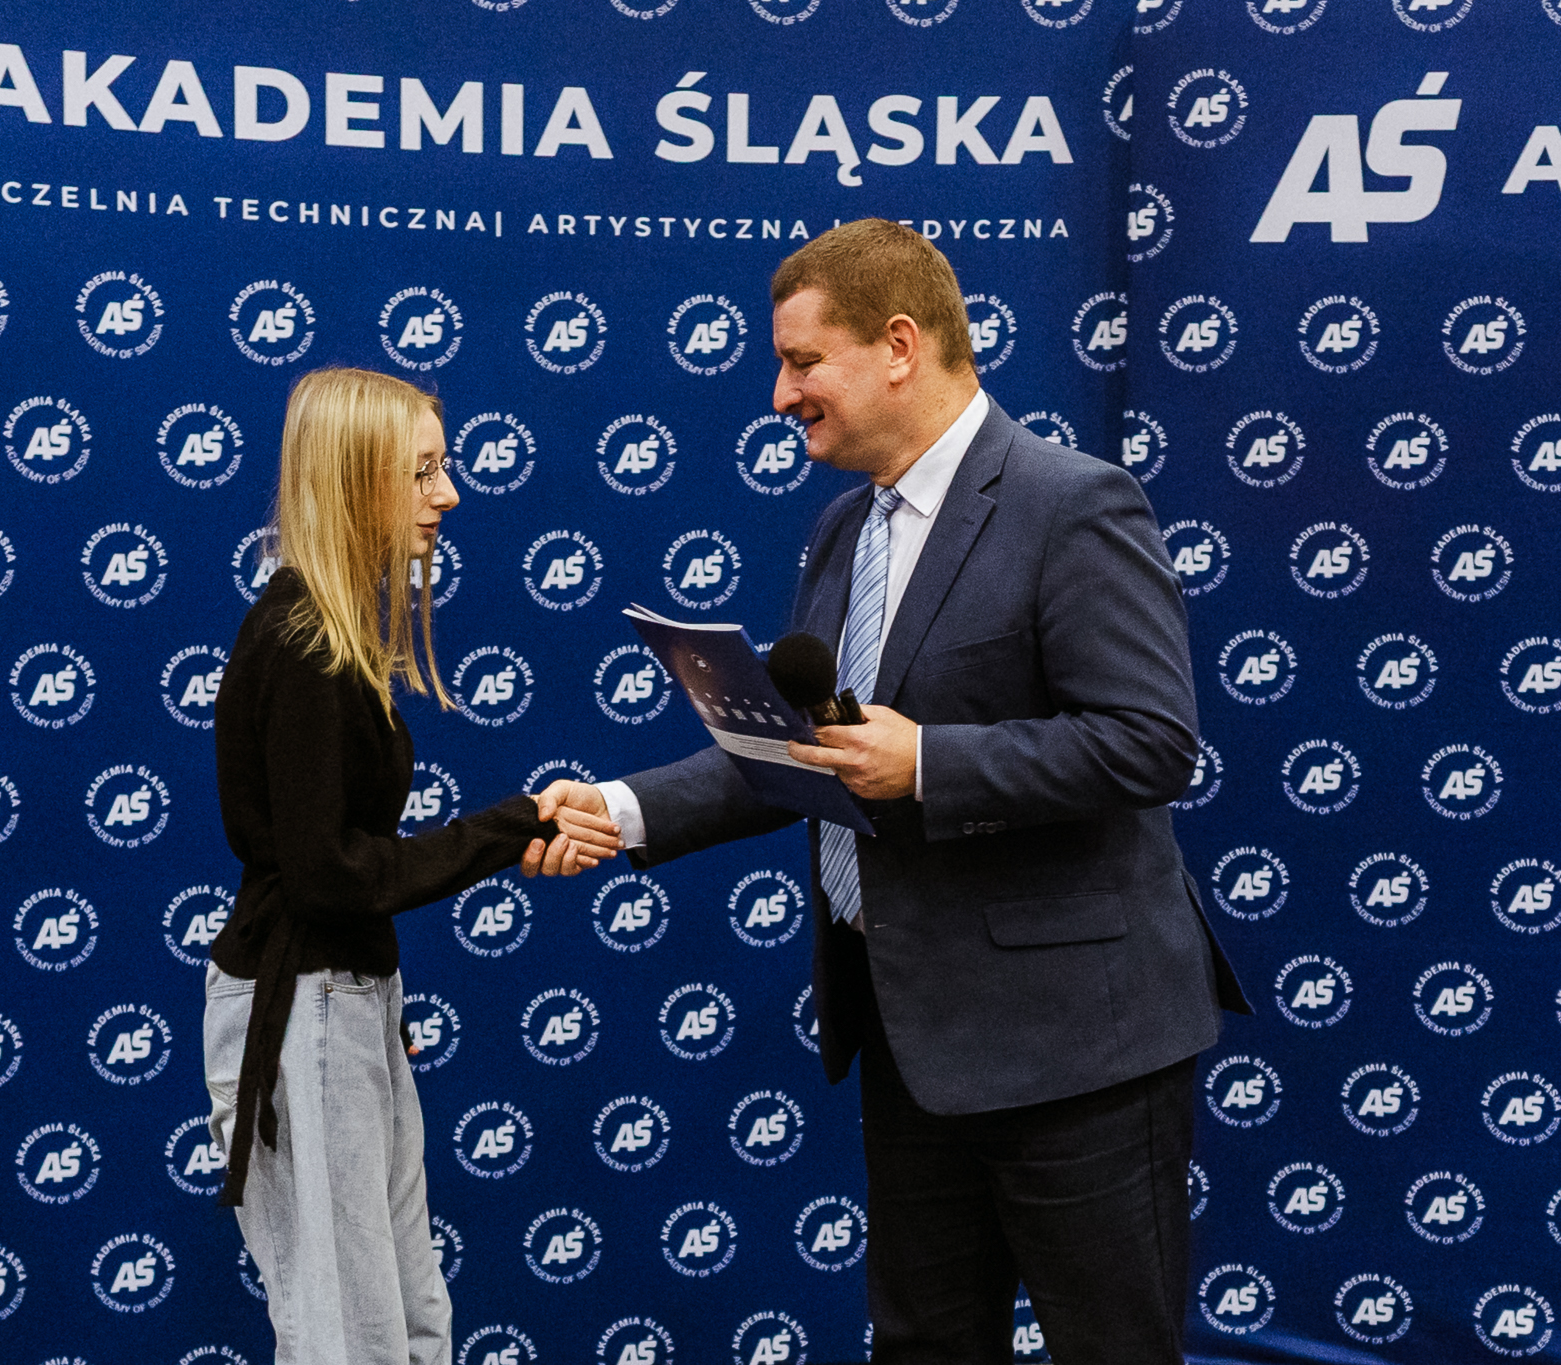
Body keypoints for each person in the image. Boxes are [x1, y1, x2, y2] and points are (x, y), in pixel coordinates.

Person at [532, 220, 1248, 1364]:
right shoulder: (841, 531)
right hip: (914, 1034)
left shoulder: (1072, 503)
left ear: (899, 346)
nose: (780, 395)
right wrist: (620, 810)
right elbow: (803, 752)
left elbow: (1148, 743)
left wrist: (929, 764)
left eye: (802, 361)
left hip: (1079, 1047)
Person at [203, 367, 621, 1365]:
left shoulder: (328, 628)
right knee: (351, 1334)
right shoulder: (304, 640)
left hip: (343, 999)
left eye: (444, 467)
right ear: (355, 481)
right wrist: (508, 827)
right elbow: (329, 874)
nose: (449, 495)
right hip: (305, 1003)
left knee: (407, 1317)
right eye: (423, 472)